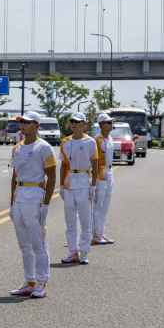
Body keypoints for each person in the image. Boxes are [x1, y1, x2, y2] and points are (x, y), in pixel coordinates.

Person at [8, 111, 56, 299]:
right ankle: (29, 281)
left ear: (37, 125)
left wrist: (45, 204)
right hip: (20, 194)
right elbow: (14, 176)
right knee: (24, 244)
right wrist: (11, 203)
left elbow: (51, 176)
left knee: (38, 242)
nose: (23, 126)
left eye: (27, 123)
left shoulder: (44, 147)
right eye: (22, 123)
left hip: (35, 194)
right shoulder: (17, 148)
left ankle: (42, 281)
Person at [59, 112, 98, 265]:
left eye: (78, 122)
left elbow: (95, 164)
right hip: (69, 181)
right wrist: (61, 185)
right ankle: (72, 252)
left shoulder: (90, 142)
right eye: (72, 122)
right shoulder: (65, 142)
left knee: (85, 220)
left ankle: (84, 252)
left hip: (83, 180)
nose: (74, 124)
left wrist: (93, 185)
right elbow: (63, 165)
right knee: (70, 221)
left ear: (84, 125)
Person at [92, 113, 116, 246]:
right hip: (100, 174)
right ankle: (95, 235)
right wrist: (95, 178)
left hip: (109, 171)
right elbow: (94, 160)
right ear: (101, 125)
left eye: (111, 122)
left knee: (105, 206)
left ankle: (101, 233)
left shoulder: (110, 138)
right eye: (108, 122)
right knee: (98, 205)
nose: (111, 124)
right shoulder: (97, 140)